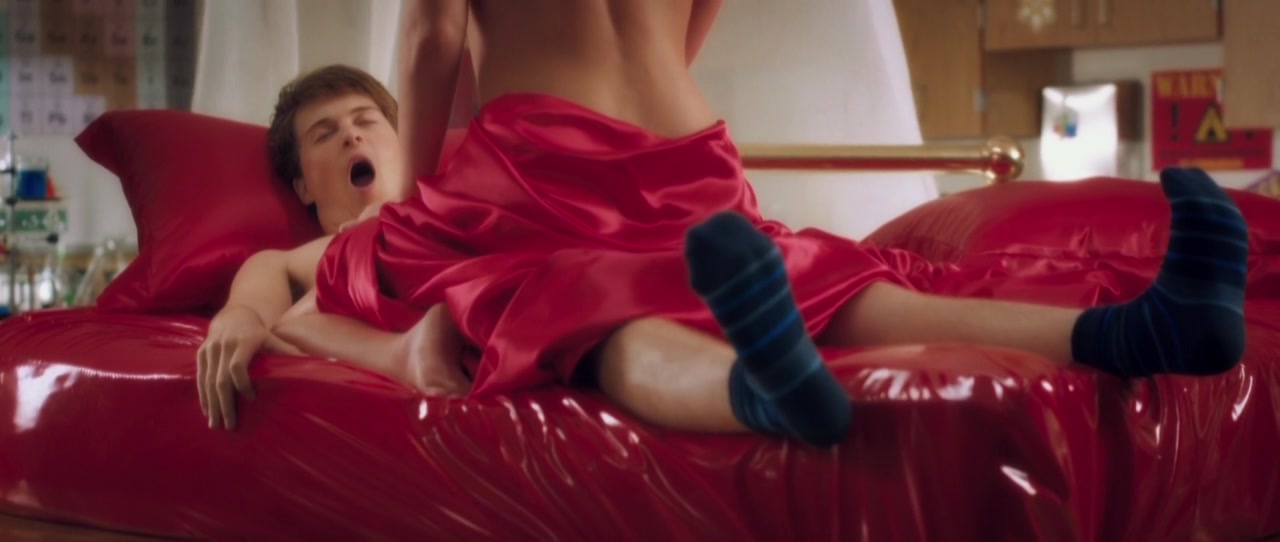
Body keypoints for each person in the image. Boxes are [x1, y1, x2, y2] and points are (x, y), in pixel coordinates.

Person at [203, 0, 1249, 449]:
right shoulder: (309, 248)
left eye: (359, 121)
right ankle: (1137, 328)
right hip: (688, 145)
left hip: (540, 149)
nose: (353, 136)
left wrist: (426, 200)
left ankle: (758, 394)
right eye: (328, 134)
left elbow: (435, 34)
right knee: (832, 284)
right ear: (302, 178)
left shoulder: (360, 238)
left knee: (584, 311)